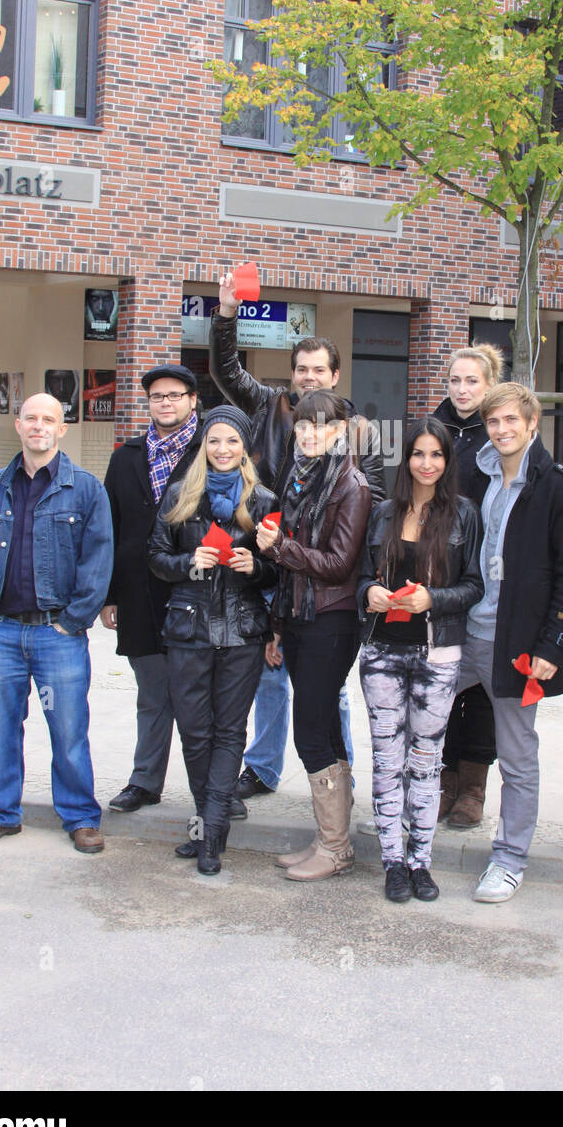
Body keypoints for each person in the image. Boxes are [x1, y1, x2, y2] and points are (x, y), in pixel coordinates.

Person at [210, 265, 385, 800]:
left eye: (319, 369)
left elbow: (373, 503)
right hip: (269, 563)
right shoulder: (270, 404)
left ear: (336, 375)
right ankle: (262, 768)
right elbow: (226, 370)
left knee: (326, 688)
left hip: (327, 577)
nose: (309, 377)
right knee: (269, 672)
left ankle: (339, 774)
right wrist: (226, 315)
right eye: (301, 368)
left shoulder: (358, 430)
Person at [0, 394, 113, 853]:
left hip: (58, 635)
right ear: (18, 425)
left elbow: (97, 561)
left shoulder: (85, 488)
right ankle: (0, 813)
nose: (39, 426)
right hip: (3, 632)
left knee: (68, 730)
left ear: (62, 429)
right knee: (0, 727)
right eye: (31, 418)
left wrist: (73, 621)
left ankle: (80, 817)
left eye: (49, 419)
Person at [457, 383, 563, 903]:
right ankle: (409, 830)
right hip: (462, 630)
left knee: (516, 755)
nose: (502, 430)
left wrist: (551, 646)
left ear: (533, 424)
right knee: (418, 724)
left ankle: (509, 858)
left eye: (512, 420)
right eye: (494, 422)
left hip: (513, 644)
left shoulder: (558, 487)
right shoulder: (478, 475)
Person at [357, 418, 483, 902]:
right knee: (388, 759)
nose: (426, 464)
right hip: (381, 652)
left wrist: (434, 599)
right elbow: (361, 575)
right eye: (418, 454)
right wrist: (369, 591)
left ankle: (420, 861)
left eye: (436, 455)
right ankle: (392, 860)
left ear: (447, 461)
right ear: (405, 458)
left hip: (438, 652)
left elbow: (475, 586)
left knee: (426, 761)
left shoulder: (464, 515)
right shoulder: (384, 511)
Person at [148, 406, 277, 875]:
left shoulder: (262, 499)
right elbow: (156, 557)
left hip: (242, 631)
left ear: (245, 449)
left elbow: (280, 567)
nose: (223, 450)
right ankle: (208, 825)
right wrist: (188, 564)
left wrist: (256, 567)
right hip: (188, 629)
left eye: (232, 442)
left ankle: (210, 833)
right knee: (195, 731)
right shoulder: (181, 494)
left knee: (229, 732)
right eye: (215, 441)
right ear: (204, 445)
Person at [256, 391, 371, 882]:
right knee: (322, 728)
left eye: (319, 426)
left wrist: (281, 548)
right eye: (302, 426)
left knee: (310, 731)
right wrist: (277, 627)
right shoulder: (298, 477)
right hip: (299, 618)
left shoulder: (352, 485)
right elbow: (292, 571)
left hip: (333, 619)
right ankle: (331, 841)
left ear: (340, 430)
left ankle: (336, 846)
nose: (307, 435)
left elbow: (339, 565)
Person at [102, 364, 210, 813]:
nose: (165, 403)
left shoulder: (213, 449)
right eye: (157, 397)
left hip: (195, 592)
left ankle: (212, 790)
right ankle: (145, 781)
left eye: (174, 395)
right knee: (152, 694)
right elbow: (108, 528)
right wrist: (109, 596)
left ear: (192, 400)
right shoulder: (127, 456)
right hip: (139, 594)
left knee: (203, 698)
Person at [432, 342, 504, 829]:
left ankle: (473, 786)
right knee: (441, 678)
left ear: (489, 384)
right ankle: (444, 779)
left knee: (478, 684)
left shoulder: (498, 431)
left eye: (472, 381)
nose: (462, 389)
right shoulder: (434, 428)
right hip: (439, 568)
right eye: (456, 380)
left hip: (484, 569)